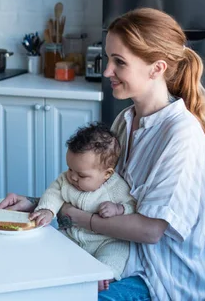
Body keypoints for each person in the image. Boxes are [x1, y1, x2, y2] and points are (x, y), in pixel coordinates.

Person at [0, 8, 205, 300]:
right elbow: (102, 193)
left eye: (119, 62)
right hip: (113, 255)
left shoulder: (181, 135)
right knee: (23, 278)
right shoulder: (126, 120)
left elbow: (150, 231)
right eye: (108, 58)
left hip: (159, 280)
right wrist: (39, 204)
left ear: (157, 68)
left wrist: (74, 216)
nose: (106, 71)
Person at [31, 122, 135, 291]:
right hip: (73, 235)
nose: (72, 177)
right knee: (52, 246)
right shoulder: (66, 180)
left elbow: (132, 205)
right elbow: (53, 193)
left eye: (81, 175)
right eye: (70, 169)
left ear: (107, 174)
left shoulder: (116, 187)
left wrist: (119, 209)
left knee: (117, 253)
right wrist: (47, 210)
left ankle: (103, 276)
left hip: (105, 240)